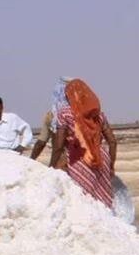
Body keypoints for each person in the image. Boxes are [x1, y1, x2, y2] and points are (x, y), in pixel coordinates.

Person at [49, 79, 118, 208]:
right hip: (101, 158)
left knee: (85, 202)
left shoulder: (65, 114)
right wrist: (111, 165)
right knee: (102, 202)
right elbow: (113, 142)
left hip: (79, 160)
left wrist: (51, 167)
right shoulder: (98, 115)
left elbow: (58, 146)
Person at [31, 78, 71, 168]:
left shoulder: (52, 115)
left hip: (60, 163)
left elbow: (41, 142)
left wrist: (30, 161)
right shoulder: (89, 114)